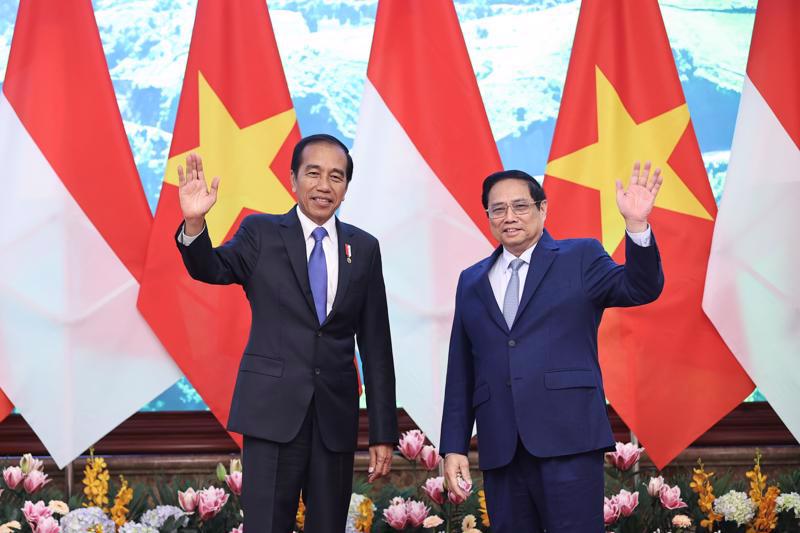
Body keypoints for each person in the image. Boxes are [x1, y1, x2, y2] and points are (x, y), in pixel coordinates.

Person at [175, 134, 398, 532]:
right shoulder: (260, 233)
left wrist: (382, 433)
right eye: (313, 173)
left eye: (336, 176)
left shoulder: (363, 248)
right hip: (272, 413)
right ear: (293, 179)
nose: (324, 186)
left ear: (346, 188)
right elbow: (210, 268)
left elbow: (377, 345)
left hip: (334, 418)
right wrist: (195, 224)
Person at [439, 163, 664, 532]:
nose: (509, 217)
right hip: (501, 448)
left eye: (520, 206)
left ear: (542, 209)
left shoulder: (580, 257)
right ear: (489, 217)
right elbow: (461, 370)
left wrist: (636, 226)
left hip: (569, 441)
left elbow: (640, 288)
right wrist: (454, 446)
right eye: (498, 209)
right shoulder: (472, 280)